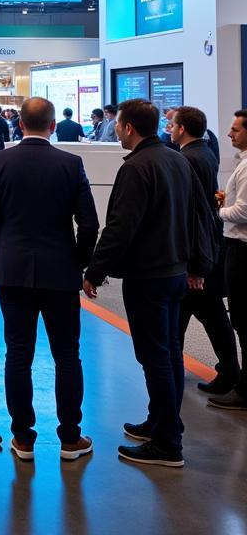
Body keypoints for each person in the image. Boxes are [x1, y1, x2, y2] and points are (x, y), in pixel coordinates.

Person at [84, 98, 212, 467]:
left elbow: (122, 227)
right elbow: (199, 216)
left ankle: (167, 443)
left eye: (119, 126)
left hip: (148, 277)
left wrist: (95, 270)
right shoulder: (177, 160)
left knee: (155, 357)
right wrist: (198, 264)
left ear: (128, 127)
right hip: (175, 273)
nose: (118, 131)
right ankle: (162, 421)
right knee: (169, 352)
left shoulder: (138, 167)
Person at [0, 97, 98, 461]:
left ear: (19, 124)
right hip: (60, 274)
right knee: (67, 356)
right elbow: (88, 223)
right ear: (53, 125)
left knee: (18, 354)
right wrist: (78, 260)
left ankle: (24, 438)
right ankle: (70, 439)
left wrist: (5, 243)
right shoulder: (71, 164)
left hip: (12, 271)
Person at [170, 106, 239, 394]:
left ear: (182, 128)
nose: (169, 128)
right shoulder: (204, 152)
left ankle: (228, 371)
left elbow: (195, 213)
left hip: (199, 253)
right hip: (204, 250)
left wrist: (195, 263)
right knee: (196, 312)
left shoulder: (189, 159)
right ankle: (224, 370)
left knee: (206, 312)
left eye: (172, 124)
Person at [212, 108, 247, 410]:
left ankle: (244, 390)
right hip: (237, 247)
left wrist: (218, 211)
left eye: (236, 129)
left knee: (243, 320)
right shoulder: (242, 163)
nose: (230, 134)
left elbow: (244, 213)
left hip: (242, 250)